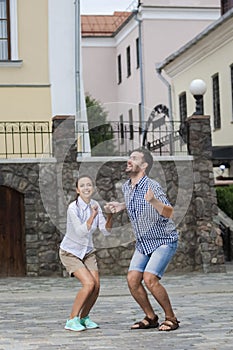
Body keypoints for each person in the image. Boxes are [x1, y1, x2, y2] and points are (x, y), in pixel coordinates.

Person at [108, 147, 180, 331]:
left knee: (149, 278)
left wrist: (154, 201)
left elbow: (170, 212)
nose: (129, 160)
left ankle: (171, 318)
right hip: (143, 243)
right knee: (132, 279)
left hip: (163, 239)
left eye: (134, 158)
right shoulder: (127, 186)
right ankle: (151, 317)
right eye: (129, 157)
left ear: (144, 165)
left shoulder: (152, 186)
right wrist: (121, 206)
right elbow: (136, 202)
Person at [59, 174, 113, 332]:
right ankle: (71, 320)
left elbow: (106, 231)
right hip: (70, 252)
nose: (86, 188)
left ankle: (83, 318)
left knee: (96, 286)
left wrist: (110, 215)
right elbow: (81, 231)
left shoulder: (95, 204)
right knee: (88, 284)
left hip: (88, 252)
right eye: (82, 185)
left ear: (93, 189)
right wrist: (92, 215)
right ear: (77, 190)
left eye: (89, 185)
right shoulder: (72, 208)